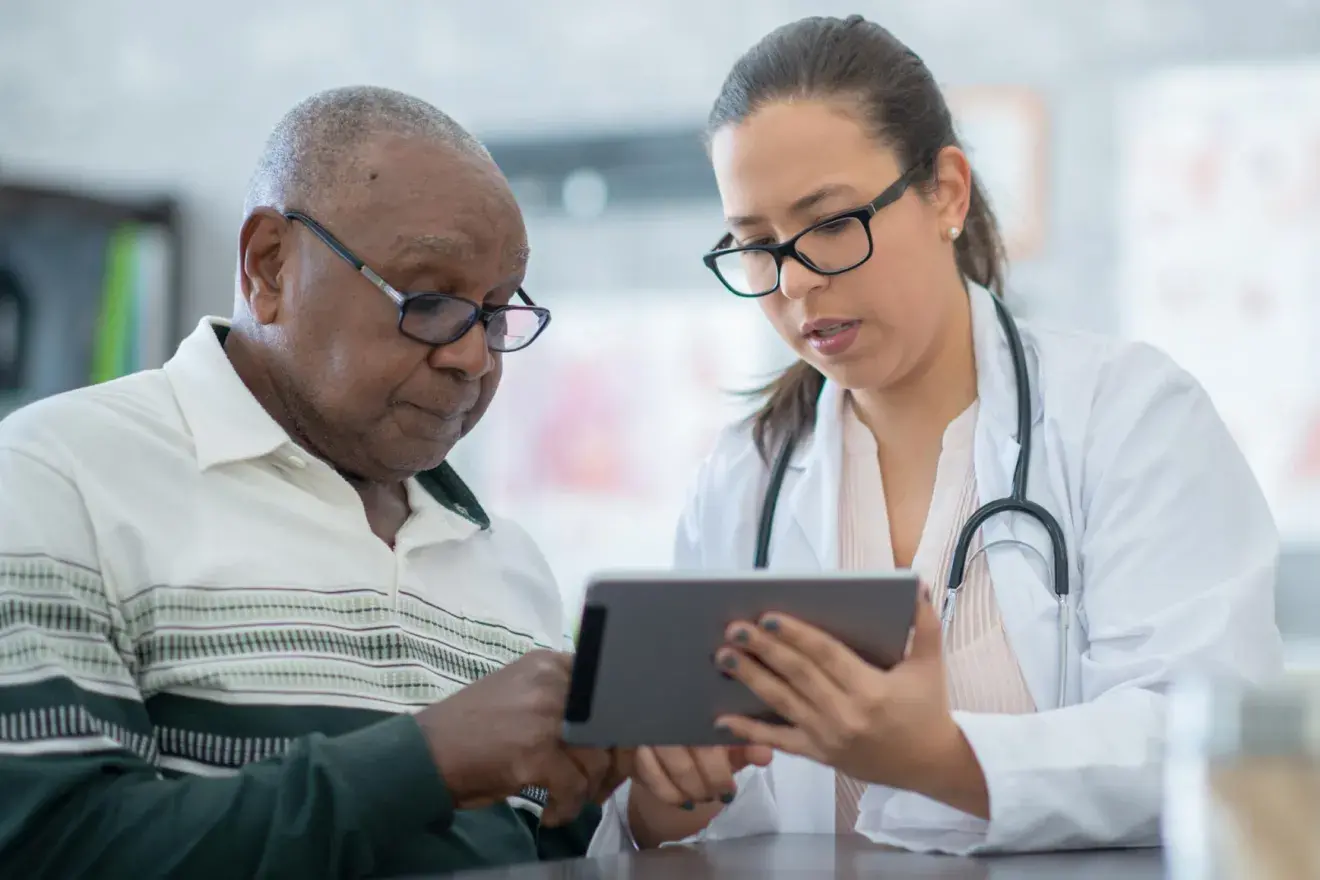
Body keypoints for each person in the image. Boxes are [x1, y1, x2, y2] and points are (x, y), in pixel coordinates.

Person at [589, 15, 1284, 855]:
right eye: (756, 245)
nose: (796, 280)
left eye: (834, 222)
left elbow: (1206, 743)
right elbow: (704, 820)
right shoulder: (744, 480)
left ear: (947, 192)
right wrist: (667, 801)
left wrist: (939, 758)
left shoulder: (1130, 416)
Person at [0, 86, 646, 878]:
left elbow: (525, 849)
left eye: (497, 312)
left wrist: (639, 812)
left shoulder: (506, 562)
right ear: (269, 264)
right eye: (431, 300)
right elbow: (48, 850)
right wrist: (424, 761)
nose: (473, 358)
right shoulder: (56, 479)